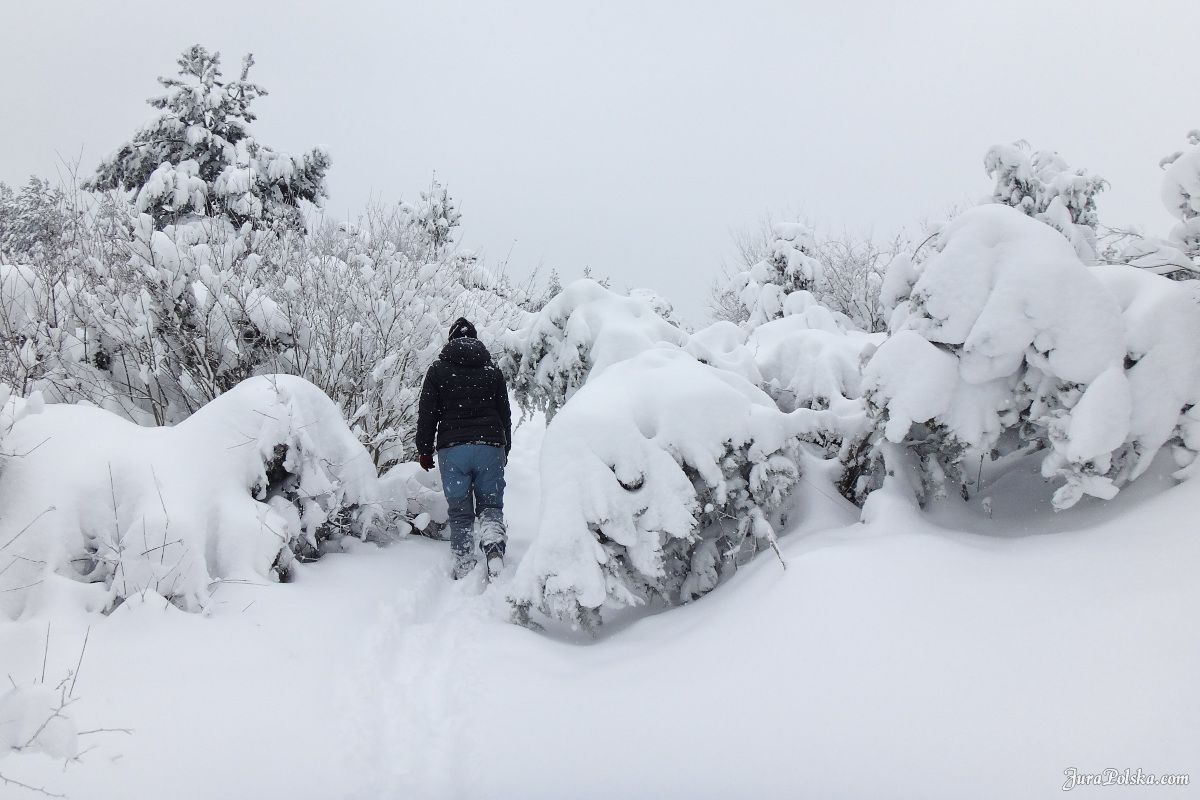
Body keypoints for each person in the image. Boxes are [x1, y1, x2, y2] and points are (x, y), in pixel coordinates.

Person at [415, 317, 512, 580]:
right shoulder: (492, 372)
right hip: (490, 446)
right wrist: (505, 449)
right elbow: (505, 414)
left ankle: (463, 566)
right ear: (476, 340)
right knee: (491, 506)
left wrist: (424, 449)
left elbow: (428, 413)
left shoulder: (438, 371)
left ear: (451, 340)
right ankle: (493, 548)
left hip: (453, 449)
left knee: (460, 513)